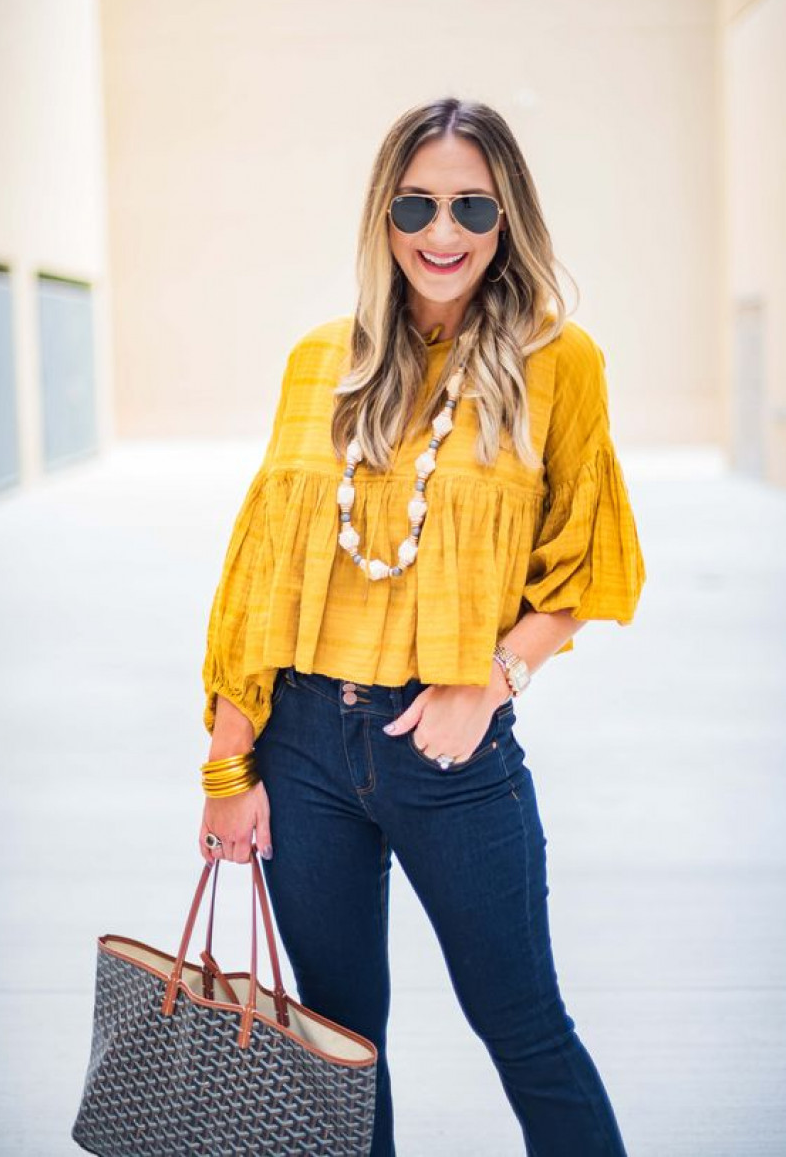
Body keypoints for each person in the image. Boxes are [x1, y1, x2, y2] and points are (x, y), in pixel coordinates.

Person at [198, 96, 645, 1156]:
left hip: (448, 748)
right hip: (301, 744)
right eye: (416, 204)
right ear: (382, 215)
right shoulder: (320, 359)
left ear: (507, 219)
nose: (440, 233)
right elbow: (260, 572)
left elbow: (587, 559)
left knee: (523, 1028)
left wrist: (489, 681)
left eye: (469, 208)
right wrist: (228, 767)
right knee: (340, 1045)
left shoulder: (555, 361)